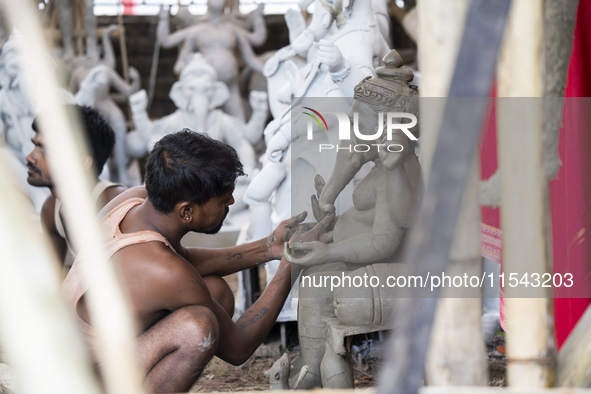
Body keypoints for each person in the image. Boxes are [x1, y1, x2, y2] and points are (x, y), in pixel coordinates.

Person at [62, 129, 329, 393]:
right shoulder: (164, 270)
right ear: (186, 211)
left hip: (72, 358)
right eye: (224, 198)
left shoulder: (132, 201)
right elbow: (238, 348)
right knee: (198, 328)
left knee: (215, 291)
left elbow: (185, 259)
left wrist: (268, 247)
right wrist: (290, 266)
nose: (232, 201)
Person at [25, 105, 127, 267]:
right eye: (35, 145)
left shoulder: (115, 205)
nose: (30, 157)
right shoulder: (51, 210)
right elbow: (56, 278)